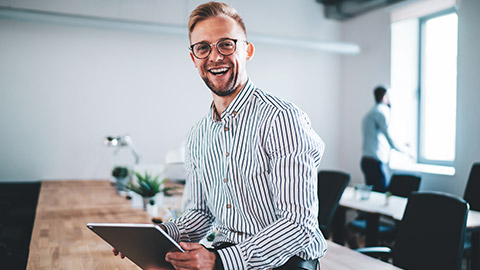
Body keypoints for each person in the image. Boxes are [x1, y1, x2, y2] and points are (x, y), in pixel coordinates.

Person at [115, 2, 326, 269]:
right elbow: (200, 214)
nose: (215, 57)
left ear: (247, 50)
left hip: (285, 264)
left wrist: (220, 261)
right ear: (194, 59)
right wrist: (162, 235)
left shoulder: (281, 119)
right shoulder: (197, 136)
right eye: (203, 47)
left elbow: (298, 226)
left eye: (226, 44)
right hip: (226, 257)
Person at [360, 85, 409, 192]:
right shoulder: (381, 112)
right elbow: (389, 137)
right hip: (375, 163)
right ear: (384, 97)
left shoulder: (370, 113)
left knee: (373, 196)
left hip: (367, 161)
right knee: (380, 196)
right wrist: (407, 151)